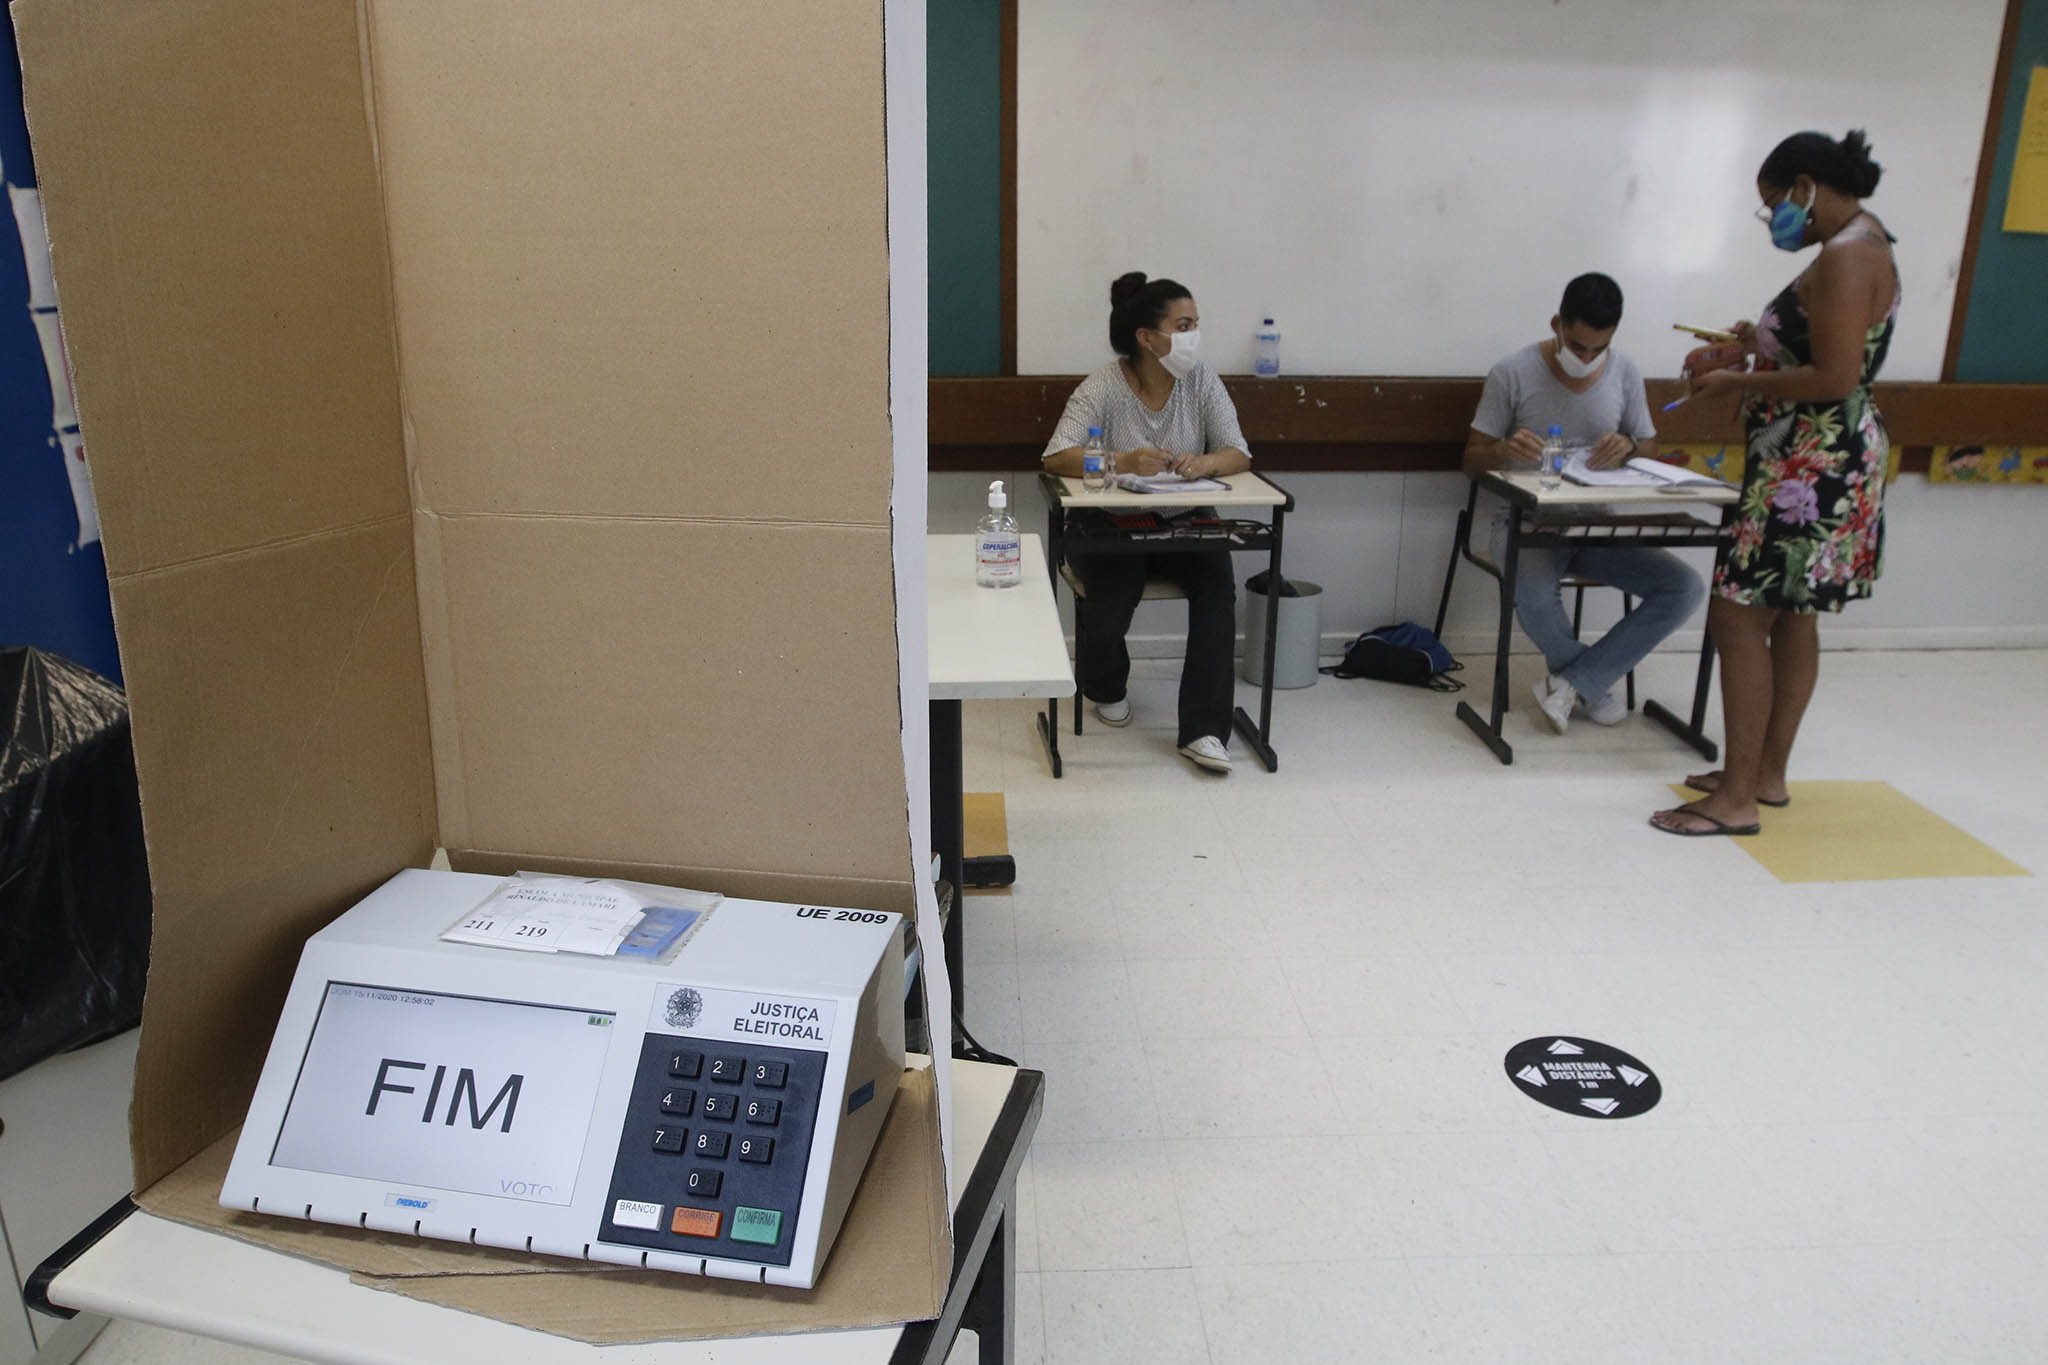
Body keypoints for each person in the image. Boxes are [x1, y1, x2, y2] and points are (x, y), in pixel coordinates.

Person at [1651, 130, 1899, 837]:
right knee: (1793, 614)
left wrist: (1734, 377)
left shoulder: (1848, 257)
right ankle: (1763, 772)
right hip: (1825, 457)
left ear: (1805, 186)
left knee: (1739, 614)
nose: (1776, 223)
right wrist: (1754, 345)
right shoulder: (1863, 243)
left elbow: (1835, 376)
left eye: (1775, 206)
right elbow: (1822, 350)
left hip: (1809, 465)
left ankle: (1734, 798)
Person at [1464, 272, 1706, 733]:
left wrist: (1629, 448)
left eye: (1599, 349)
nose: (1587, 358)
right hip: (1524, 522)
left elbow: (1650, 446)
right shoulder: (1512, 373)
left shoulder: (1625, 372)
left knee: (1685, 587)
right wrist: (1502, 452)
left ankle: (1575, 683)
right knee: (1533, 594)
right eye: (1577, 347)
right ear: (1556, 324)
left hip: (1596, 523)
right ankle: (1588, 682)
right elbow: (1471, 460)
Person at [1042, 272, 1253, 773]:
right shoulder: (1103, 387)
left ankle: (1203, 731)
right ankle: (1105, 684)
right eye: (1183, 325)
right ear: (1147, 337)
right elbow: (1057, 457)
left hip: (1187, 520)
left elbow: (1237, 452)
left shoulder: (1200, 379)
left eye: (1196, 324)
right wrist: (1120, 462)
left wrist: (1204, 464)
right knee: (1109, 606)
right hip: (1115, 524)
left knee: (1217, 593)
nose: (1194, 336)